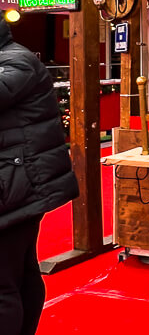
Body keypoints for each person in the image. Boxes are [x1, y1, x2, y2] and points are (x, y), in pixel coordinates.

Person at [0, 17, 78, 335]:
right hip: (18, 180)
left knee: (4, 282)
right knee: (20, 272)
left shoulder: (15, 61)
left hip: (16, 183)